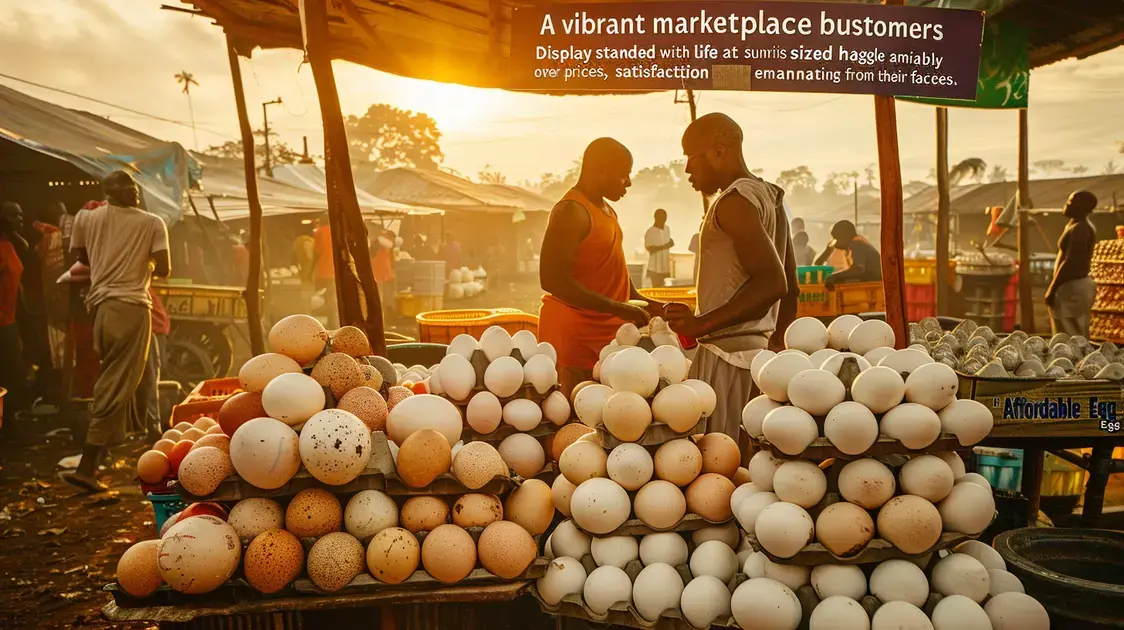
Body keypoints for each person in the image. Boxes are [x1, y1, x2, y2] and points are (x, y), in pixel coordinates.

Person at [665, 113, 798, 442]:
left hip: (728, 361)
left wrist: (701, 324)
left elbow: (773, 283)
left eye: (690, 157)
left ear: (719, 151)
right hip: (758, 362)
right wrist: (775, 346)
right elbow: (791, 287)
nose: (687, 170)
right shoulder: (771, 198)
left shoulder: (734, 203)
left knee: (721, 467)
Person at [62, 171, 170, 493]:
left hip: (101, 309)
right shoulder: (152, 223)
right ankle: (87, 465)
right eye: (130, 189)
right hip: (132, 308)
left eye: (135, 188)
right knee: (116, 383)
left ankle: (107, 452)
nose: (134, 193)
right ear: (111, 192)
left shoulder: (85, 219)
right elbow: (164, 268)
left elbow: (83, 257)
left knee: (114, 377)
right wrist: (143, 263)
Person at [539, 138, 663, 395]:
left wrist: (656, 308)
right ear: (601, 170)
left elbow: (621, 285)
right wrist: (617, 308)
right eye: (623, 174)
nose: (628, 182)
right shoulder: (571, 211)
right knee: (574, 417)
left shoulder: (608, 211)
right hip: (573, 338)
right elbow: (552, 280)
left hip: (608, 337)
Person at [1046, 191, 1098, 337]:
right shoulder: (1074, 225)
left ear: (1081, 207)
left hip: (1073, 287)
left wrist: (1052, 289)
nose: (1067, 205)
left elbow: (1071, 262)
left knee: (1071, 336)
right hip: (1069, 286)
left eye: (1071, 203)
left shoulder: (1081, 228)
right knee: (1065, 333)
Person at [0, 202, 27, 430]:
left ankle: (9, 421)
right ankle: (7, 423)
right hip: (1, 322)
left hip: (10, 319)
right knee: (9, 374)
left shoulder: (9, 244)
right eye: (13, 215)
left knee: (12, 372)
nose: (20, 218)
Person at [818, 220, 882, 289]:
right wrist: (827, 251)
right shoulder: (854, 245)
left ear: (845, 236)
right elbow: (818, 264)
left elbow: (858, 269)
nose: (834, 241)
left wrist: (834, 277)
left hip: (875, 287)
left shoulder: (857, 244)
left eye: (836, 238)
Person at [644, 209, 674, 288]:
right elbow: (650, 249)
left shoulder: (667, 229)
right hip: (655, 268)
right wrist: (666, 246)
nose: (663, 219)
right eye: (661, 217)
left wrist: (670, 244)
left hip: (665, 266)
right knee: (655, 289)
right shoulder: (650, 232)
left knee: (664, 290)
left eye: (665, 217)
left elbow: (668, 242)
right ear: (655, 218)